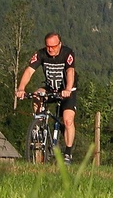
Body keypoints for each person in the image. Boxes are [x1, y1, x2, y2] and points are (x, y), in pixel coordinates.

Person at [16, 32, 78, 164]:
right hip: (50, 88)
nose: (50, 49)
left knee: (67, 120)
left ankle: (67, 153)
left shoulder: (67, 53)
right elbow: (29, 70)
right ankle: (38, 124)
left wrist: (67, 89)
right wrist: (21, 88)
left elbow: (70, 71)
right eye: (48, 46)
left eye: (53, 46)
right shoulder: (41, 54)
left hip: (67, 90)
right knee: (37, 94)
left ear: (59, 44)